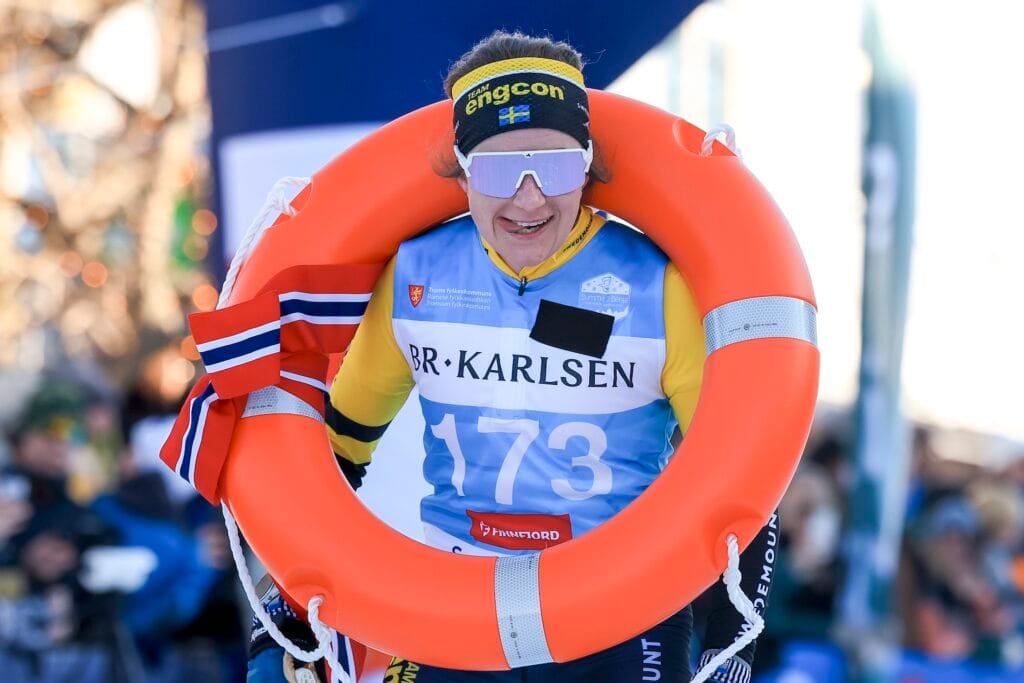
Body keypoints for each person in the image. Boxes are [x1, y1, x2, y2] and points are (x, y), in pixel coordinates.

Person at [248, 30, 777, 683]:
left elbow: (749, 486)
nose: (529, 198)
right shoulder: (417, 275)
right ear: (464, 172)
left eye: (553, 166)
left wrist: (732, 651)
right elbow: (339, 453)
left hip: (620, 611)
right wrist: (288, 611)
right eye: (500, 170)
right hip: (451, 603)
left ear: (587, 165)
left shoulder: (657, 288)